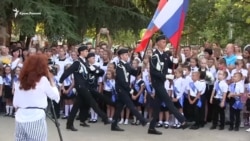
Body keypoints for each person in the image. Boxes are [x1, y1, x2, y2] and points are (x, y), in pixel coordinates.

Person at [59, 45, 110, 131]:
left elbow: (93, 71)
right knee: (92, 102)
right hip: (80, 86)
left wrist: (99, 72)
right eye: (86, 51)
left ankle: (70, 124)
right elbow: (68, 72)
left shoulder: (85, 63)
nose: (87, 52)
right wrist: (60, 82)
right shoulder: (77, 63)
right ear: (81, 52)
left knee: (76, 106)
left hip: (85, 86)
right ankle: (105, 118)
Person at [13, 54, 60, 141]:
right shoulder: (42, 80)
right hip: (36, 117)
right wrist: (51, 79)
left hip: (20, 117)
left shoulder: (19, 81)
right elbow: (55, 96)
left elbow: (15, 103)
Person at [148, 35, 188, 135]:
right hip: (157, 83)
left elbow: (170, 65)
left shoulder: (165, 54)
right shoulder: (155, 56)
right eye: (162, 42)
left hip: (161, 82)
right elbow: (153, 72)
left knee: (157, 107)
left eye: (165, 42)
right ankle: (182, 120)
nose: (164, 44)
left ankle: (151, 128)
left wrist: (175, 61)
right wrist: (166, 76)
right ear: (157, 43)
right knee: (168, 101)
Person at [111, 48, 147, 131]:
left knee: (119, 107)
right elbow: (122, 80)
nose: (127, 56)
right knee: (130, 105)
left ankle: (113, 125)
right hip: (121, 89)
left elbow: (135, 73)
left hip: (125, 89)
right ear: (121, 56)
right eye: (126, 55)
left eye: (127, 54)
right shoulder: (119, 66)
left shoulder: (127, 65)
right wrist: (130, 90)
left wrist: (139, 67)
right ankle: (142, 120)